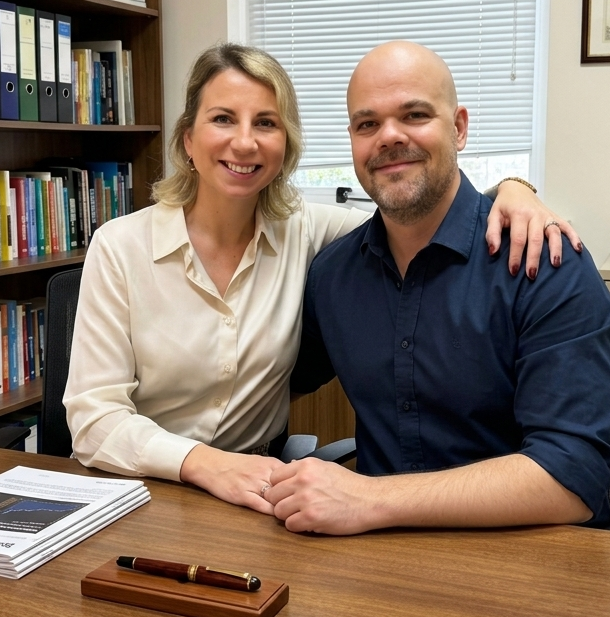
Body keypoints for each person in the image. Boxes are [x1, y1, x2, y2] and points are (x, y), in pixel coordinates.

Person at [63, 42, 582, 517]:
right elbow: (93, 419)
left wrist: (514, 189)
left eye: (265, 123)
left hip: (255, 499)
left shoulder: (310, 233)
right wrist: (203, 462)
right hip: (139, 489)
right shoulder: (121, 245)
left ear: (284, 144)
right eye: (223, 119)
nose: (244, 142)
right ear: (188, 140)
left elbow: (417, 208)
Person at [267, 41, 610, 534]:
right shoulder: (334, 276)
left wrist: (369, 498)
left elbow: (573, 474)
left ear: (458, 128)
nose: (389, 137)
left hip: (535, 560)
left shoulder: (543, 260)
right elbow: (273, 379)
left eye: (414, 114)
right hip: (384, 557)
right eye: (367, 124)